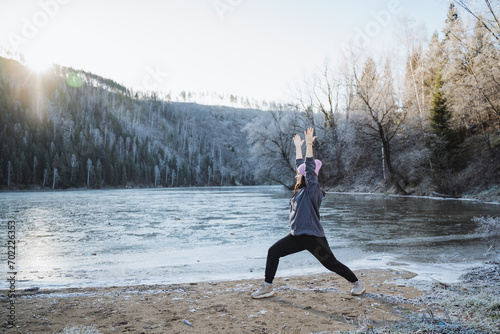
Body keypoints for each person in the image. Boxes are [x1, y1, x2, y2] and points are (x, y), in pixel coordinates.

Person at [251, 127, 365, 299]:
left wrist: (309, 145)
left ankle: (357, 283)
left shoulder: (313, 190)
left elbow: (309, 169)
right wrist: (298, 148)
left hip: (313, 238)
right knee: (273, 251)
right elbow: (301, 167)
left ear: (305, 177)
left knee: (331, 264)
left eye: (299, 175)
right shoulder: (301, 190)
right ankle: (267, 286)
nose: (296, 175)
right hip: (297, 236)